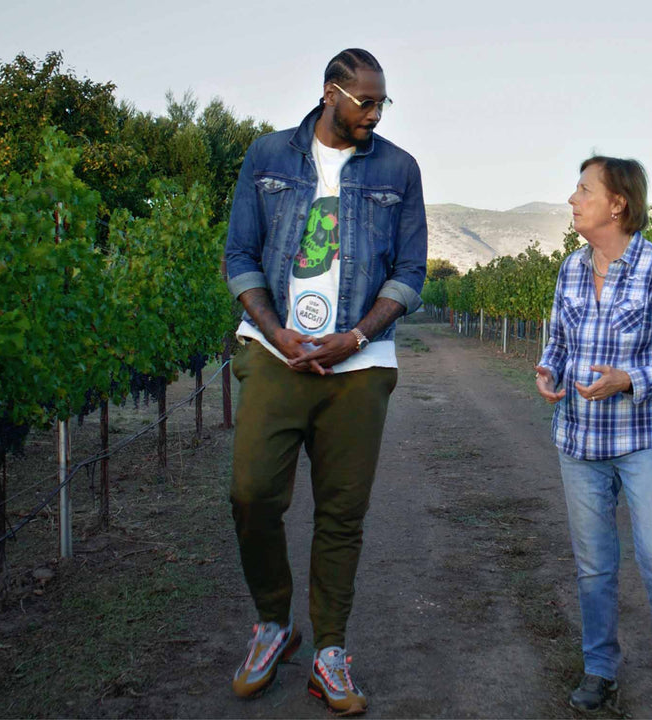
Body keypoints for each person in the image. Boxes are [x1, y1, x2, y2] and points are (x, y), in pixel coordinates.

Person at [223, 48, 427, 715]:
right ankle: (274, 622)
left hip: (358, 368)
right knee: (252, 493)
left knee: (342, 513)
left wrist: (358, 336)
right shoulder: (268, 156)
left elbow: (409, 274)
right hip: (276, 353)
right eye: (365, 101)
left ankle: (330, 653)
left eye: (381, 103)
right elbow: (241, 256)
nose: (374, 113)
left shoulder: (399, 169)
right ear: (330, 93)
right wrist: (276, 331)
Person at [535, 157, 652, 719]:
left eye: (583, 189)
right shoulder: (569, 268)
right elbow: (559, 341)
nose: (572, 199)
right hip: (580, 443)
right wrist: (548, 370)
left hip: (645, 438)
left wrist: (630, 379)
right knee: (594, 566)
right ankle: (600, 672)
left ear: (617, 203)